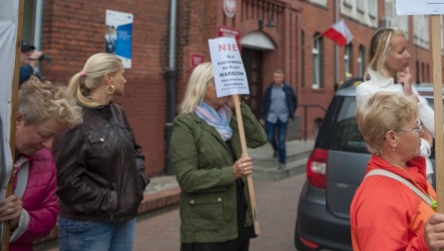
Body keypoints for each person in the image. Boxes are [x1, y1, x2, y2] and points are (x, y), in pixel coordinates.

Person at [53, 53, 149, 251]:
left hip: (124, 218)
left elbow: (135, 152)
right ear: (109, 78)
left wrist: (137, 184)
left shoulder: (117, 112)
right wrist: (109, 201)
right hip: (88, 224)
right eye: (122, 74)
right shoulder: (76, 119)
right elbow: (65, 178)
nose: (125, 79)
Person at [171, 62, 267, 251]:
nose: (225, 87)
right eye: (219, 82)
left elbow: (259, 139)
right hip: (208, 224)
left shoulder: (231, 118)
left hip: (238, 214)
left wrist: (238, 104)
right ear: (201, 86)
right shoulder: (187, 124)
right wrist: (231, 172)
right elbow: (187, 179)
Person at [350, 92, 444, 251]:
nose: (421, 132)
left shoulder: (409, 172)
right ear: (392, 138)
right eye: (416, 127)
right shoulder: (378, 199)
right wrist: (424, 244)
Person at [0, 81, 81, 250]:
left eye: (54, 138)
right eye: (44, 135)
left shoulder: (44, 159)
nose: (49, 145)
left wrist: (18, 220)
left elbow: (50, 215)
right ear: (18, 119)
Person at [355, 27, 437, 182]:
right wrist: (425, 145)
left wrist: (411, 94)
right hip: (395, 175)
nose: (408, 55)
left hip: (423, 174)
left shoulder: (407, 86)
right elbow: (383, 142)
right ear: (382, 56)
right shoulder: (367, 90)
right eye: (401, 51)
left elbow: (438, 128)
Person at [259, 69, 297, 170]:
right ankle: (276, 149)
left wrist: (291, 113)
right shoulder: (269, 90)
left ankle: (282, 162)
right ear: (273, 78)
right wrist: (262, 116)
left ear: (282, 78)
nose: (278, 79)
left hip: (283, 117)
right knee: (270, 137)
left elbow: (294, 101)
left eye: (279, 77)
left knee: (281, 139)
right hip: (271, 117)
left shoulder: (288, 89)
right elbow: (264, 103)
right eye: (276, 77)